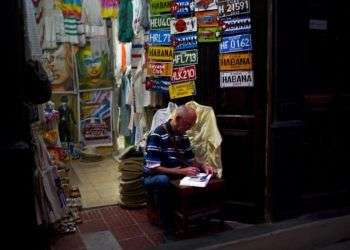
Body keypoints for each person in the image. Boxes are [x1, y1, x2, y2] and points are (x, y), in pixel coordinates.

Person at [143, 105, 214, 239]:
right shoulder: (157, 134)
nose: (189, 128)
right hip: (153, 176)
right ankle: (167, 227)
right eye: (188, 124)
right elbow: (153, 167)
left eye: (192, 125)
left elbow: (190, 160)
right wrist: (180, 171)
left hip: (174, 173)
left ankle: (197, 217)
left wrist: (203, 165)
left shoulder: (183, 136)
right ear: (177, 118)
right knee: (163, 180)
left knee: (204, 174)